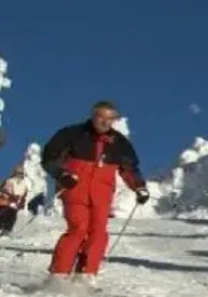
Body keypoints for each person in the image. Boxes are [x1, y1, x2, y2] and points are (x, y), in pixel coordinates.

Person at [41, 101, 149, 280]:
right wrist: (62, 174)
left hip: (102, 194)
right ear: (92, 116)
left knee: (98, 233)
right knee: (78, 229)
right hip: (75, 189)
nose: (105, 122)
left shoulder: (120, 143)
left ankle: (86, 274)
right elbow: (50, 157)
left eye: (110, 118)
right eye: (101, 117)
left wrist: (139, 187)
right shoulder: (72, 134)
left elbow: (129, 168)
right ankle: (58, 274)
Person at [0, 164, 26, 237]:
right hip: (5, 201)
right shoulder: (9, 181)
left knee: (12, 214)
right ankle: (3, 227)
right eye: (18, 173)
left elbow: (23, 194)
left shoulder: (23, 183)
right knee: (4, 213)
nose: (19, 175)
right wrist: (7, 195)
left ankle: (7, 230)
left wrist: (21, 202)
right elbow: (3, 190)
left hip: (14, 203)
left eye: (21, 173)